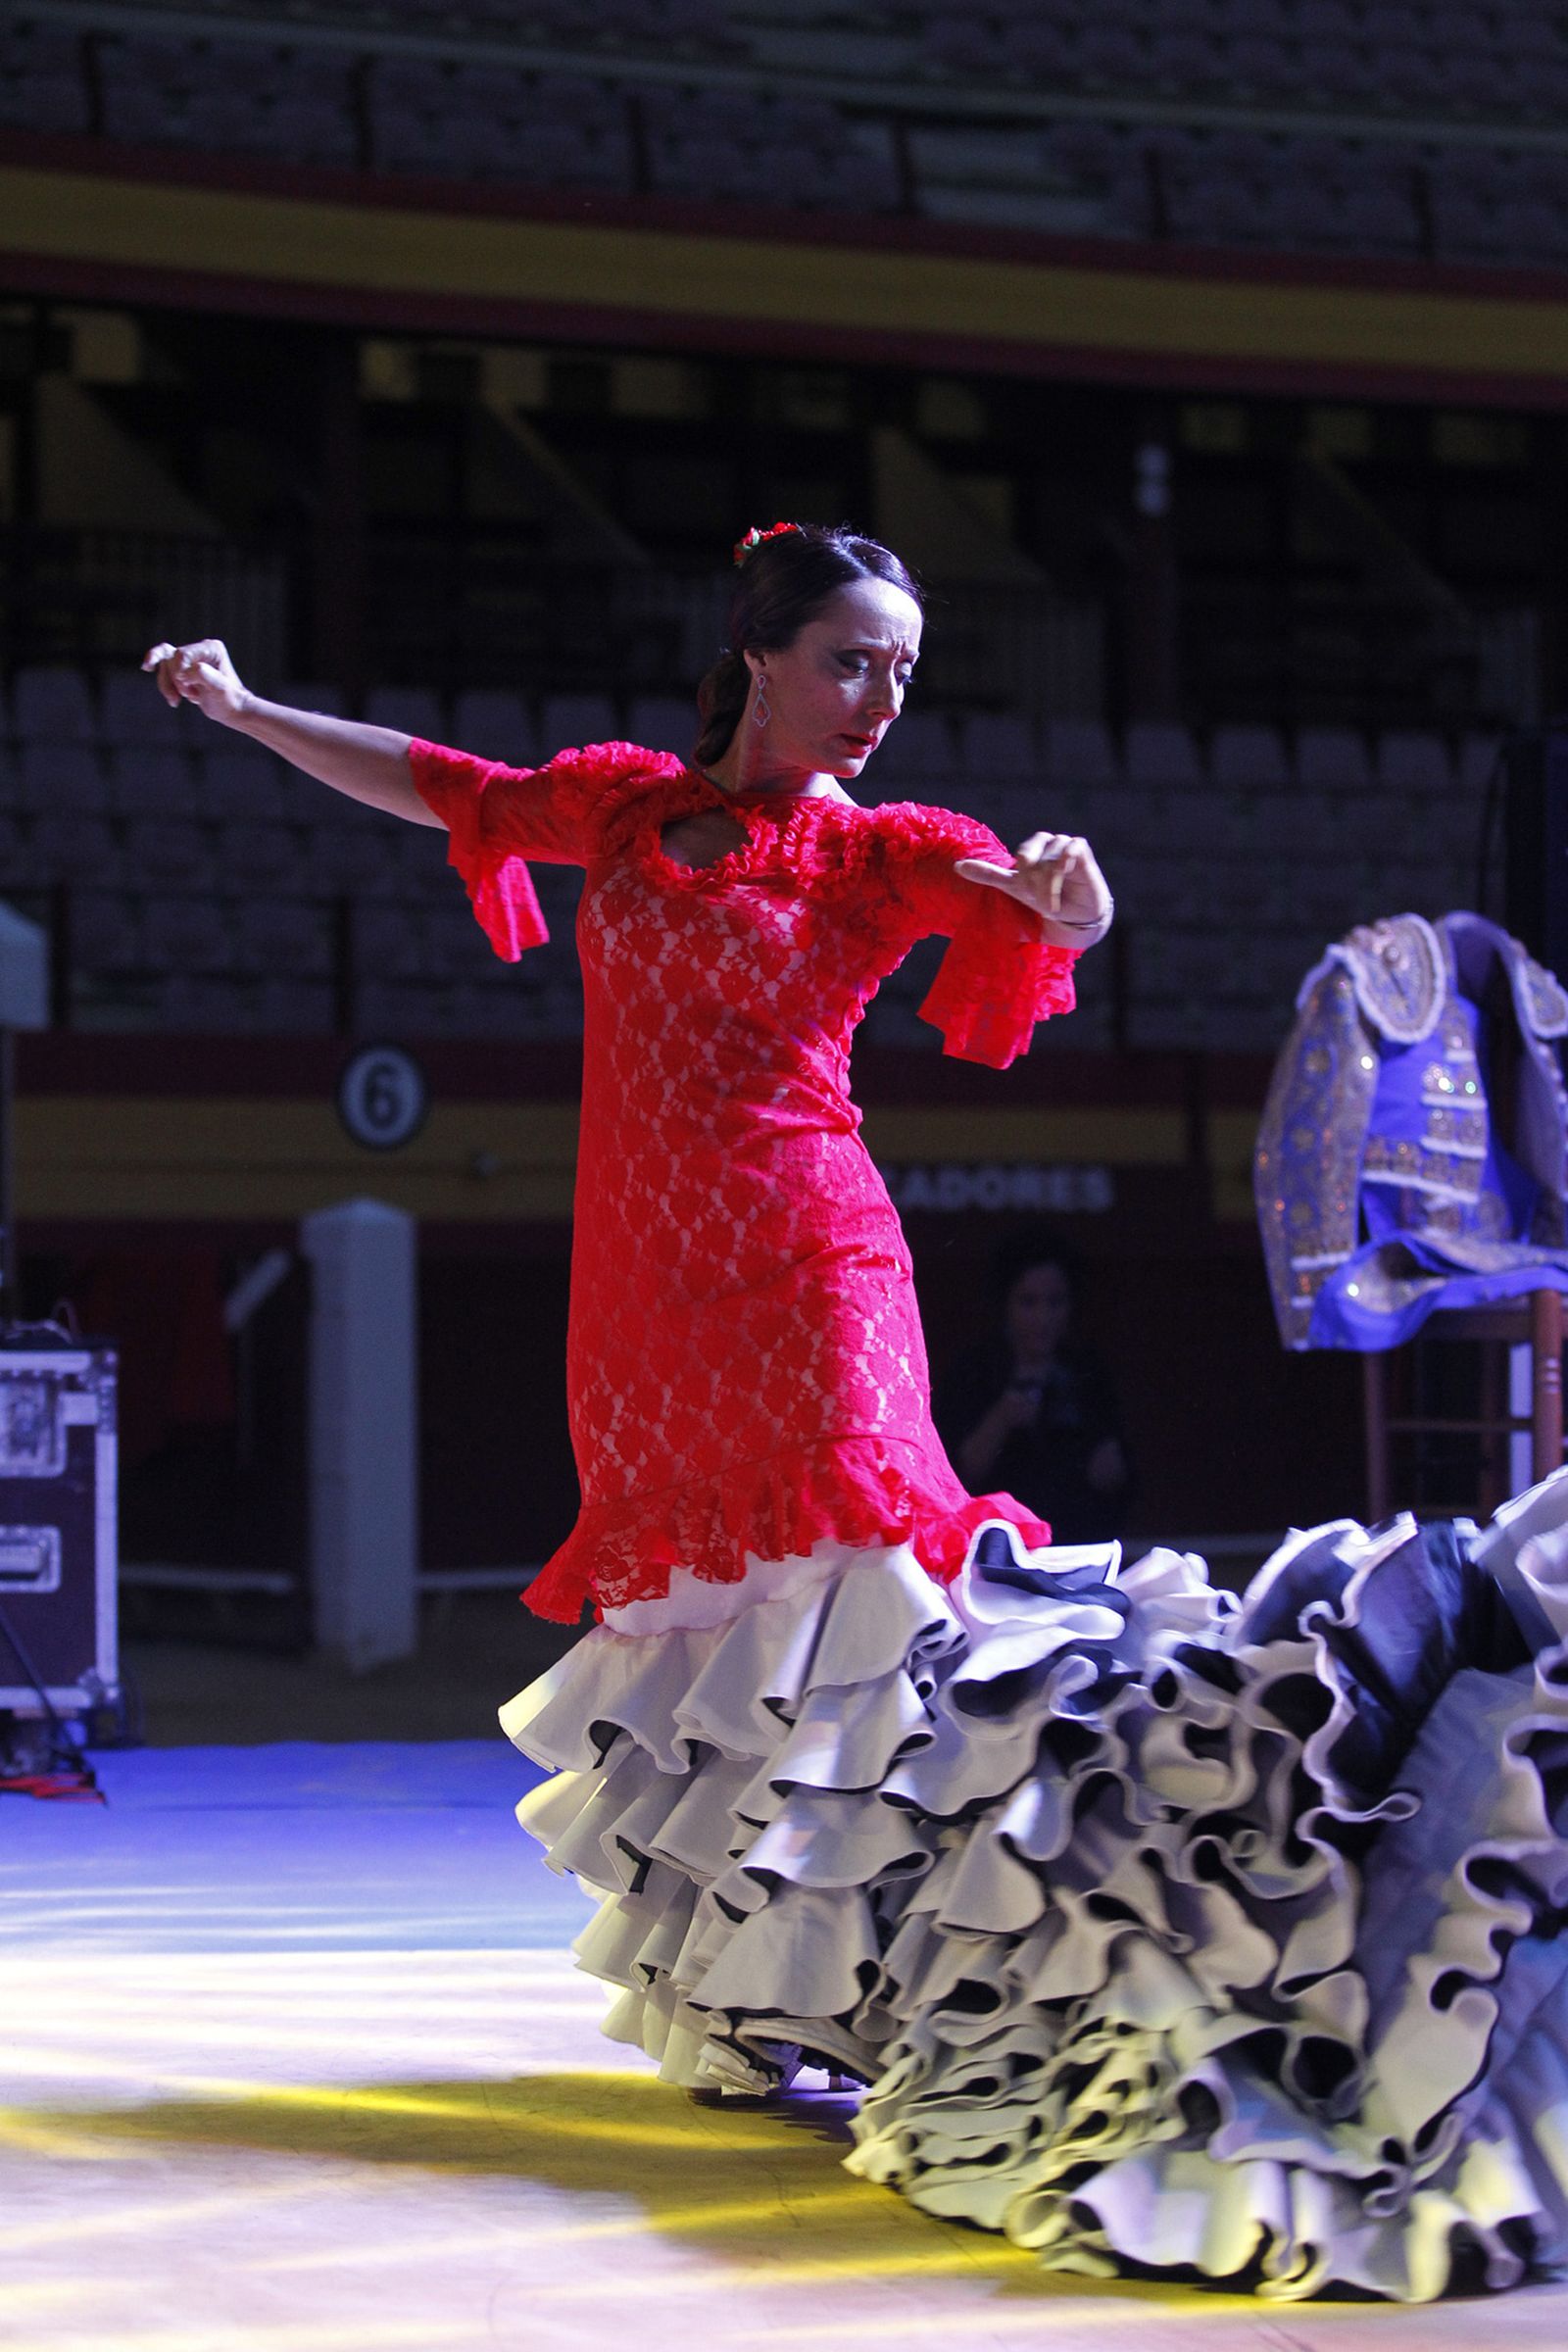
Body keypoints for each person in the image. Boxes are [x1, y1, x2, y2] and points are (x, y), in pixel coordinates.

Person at [146, 521, 1568, 2304]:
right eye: (851, 660)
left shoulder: (877, 853)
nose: (884, 698)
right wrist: (246, 706)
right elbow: (445, 787)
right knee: (702, 1641)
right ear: (755, 653)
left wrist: (1069, 890)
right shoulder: (620, 813)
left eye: (903, 667)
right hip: (643, 1300)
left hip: (814, 1272)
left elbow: (1040, 908)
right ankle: (752, 2000)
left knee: (856, 1611)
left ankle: (921, 1966)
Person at [934, 1225, 1130, 1544]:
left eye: (1055, 1302)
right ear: (1005, 1304)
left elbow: (1119, 1474)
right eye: (1029, 1302)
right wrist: (1001, 1419)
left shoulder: (1087, 1372)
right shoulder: (976, 1371)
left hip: (1078, 1545)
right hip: (997, 1548)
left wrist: (1110, 1467)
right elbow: (956, 1476)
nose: (1043, 1317)